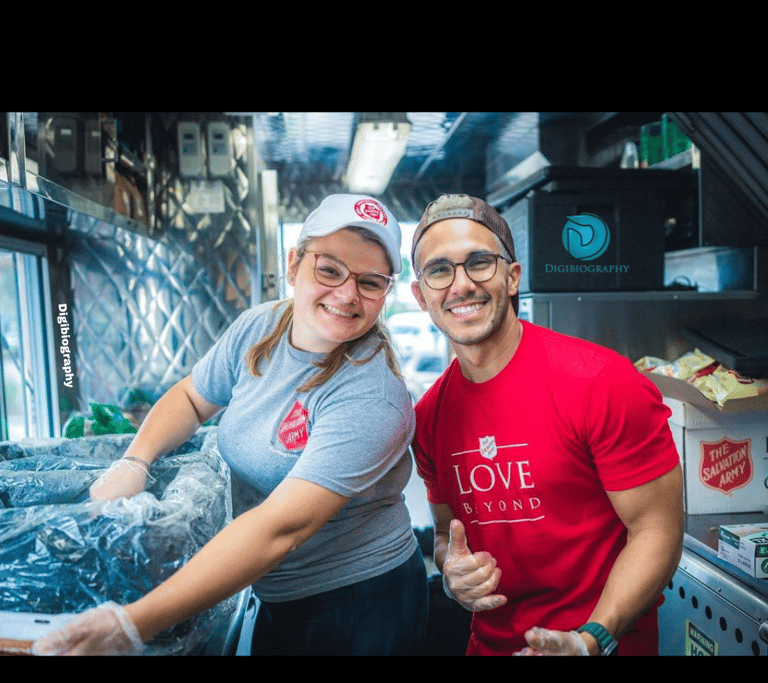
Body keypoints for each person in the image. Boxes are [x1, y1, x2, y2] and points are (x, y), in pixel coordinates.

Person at [33, 193, 428, 656]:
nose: (347, 294)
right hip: (276, 588)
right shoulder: (261, 326)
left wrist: (132, 624)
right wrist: (135, 462)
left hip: (358, 603)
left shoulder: (371, 396)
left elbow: (279, 529)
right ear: (294, 263)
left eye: (371, 282)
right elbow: (192, 398)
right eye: (330, 269)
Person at [409, 193, 684, 656]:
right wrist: (453, 572)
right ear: (420, 295)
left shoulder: (602, 381)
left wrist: (591, 639)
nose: (460, 285)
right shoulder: (429, 417)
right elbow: (444, 534)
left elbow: (658, 531)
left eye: (480, 262)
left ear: (512, 277)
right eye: (439, 270)